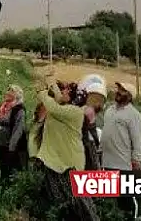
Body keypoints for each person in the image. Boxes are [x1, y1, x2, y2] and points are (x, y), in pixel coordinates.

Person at [34, 76, 99, 221]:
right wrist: (51, 82)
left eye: (67, 91)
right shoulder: (67, 106)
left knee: (80, 203)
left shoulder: (75, 112)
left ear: (73, 98)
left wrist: (42, 92)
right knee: (61, 199)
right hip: (56, 161)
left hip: (70, 164)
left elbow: (53, 107)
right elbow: (59, 97)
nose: (63, 92)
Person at [101, 81, 141, 220]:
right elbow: (106, 132)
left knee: (130, 197)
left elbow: (139, 138)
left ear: (130, 96)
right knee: (117, 197)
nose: (119, 92)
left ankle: (137, 217)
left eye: (123, 90)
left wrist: (137, 159)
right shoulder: (109, 110)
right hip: (107, 160)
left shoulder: (134, 114)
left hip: (123, 163)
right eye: (119, 89)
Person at [0, 84, 28, 182]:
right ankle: (3, 183)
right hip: (0, 142)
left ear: (17, 95)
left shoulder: (19, 109)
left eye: (11, 91)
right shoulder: (5, 107)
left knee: (12, 167)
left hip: (10, 144)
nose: (8, 93)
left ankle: (10, 187)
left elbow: (18, 129)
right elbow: (1, 120)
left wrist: (12, 147)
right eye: (8, 90)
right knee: (3, 165)